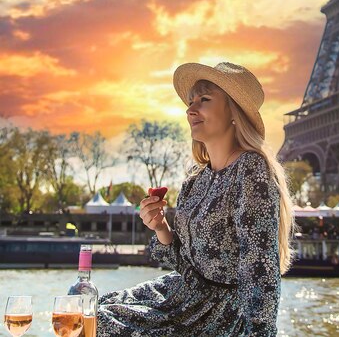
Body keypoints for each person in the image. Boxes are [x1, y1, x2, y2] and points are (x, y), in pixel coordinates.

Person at [97, 61, 296, 336]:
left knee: (104, 324)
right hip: (185, 296)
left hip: (220, 313)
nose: (190, 110)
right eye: (191, 102)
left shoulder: (251, 170)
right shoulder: (195, 178)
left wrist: (261, 333)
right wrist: (161, 228)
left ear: (233, 111)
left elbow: (260, 269)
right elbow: (187, 264)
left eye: (204, 99)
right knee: (93, 310)